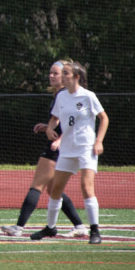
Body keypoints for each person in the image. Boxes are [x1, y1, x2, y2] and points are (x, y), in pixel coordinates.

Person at [1, 60, 86, 238]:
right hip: (62, 144)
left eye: (57, 73)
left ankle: (19, 227)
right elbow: (60, 121)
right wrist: (46, 127)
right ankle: (79, 225)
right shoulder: (61, 95)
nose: (52, 76)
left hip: (58, 146)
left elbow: (75, 122)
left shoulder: (66, 94)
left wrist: (60, 140)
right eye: (51, 73)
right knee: (54, 189)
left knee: (37, 186)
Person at [31, 62, 108, 245]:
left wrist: (99, 141)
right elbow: (55, 118)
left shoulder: (88, 96)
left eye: (66, 73)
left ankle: (94, 230)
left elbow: (104, 118)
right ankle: (50, 227)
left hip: (85, 148)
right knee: (56, 188)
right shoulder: (61, 96)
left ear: (76, 77)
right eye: (62, 73)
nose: (62, 76)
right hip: (67, 150)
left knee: (86, 187)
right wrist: (49, 129)